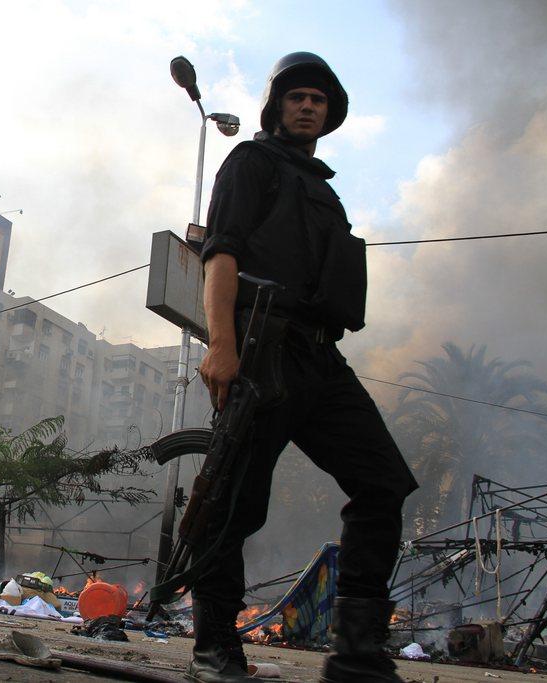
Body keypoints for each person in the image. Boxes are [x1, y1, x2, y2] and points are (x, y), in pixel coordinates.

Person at [193, 53, 418, 682]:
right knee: (233, 504)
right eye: (296, 96)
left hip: (320, 355)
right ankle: (215, 643)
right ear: (278, 106)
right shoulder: (252, 162)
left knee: (383, 484)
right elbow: (221, 254)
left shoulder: (324, 190)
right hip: (261, 344)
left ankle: (358, 653)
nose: (308, 105)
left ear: (328, 113)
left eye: (318, 98)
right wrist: (221, 343)